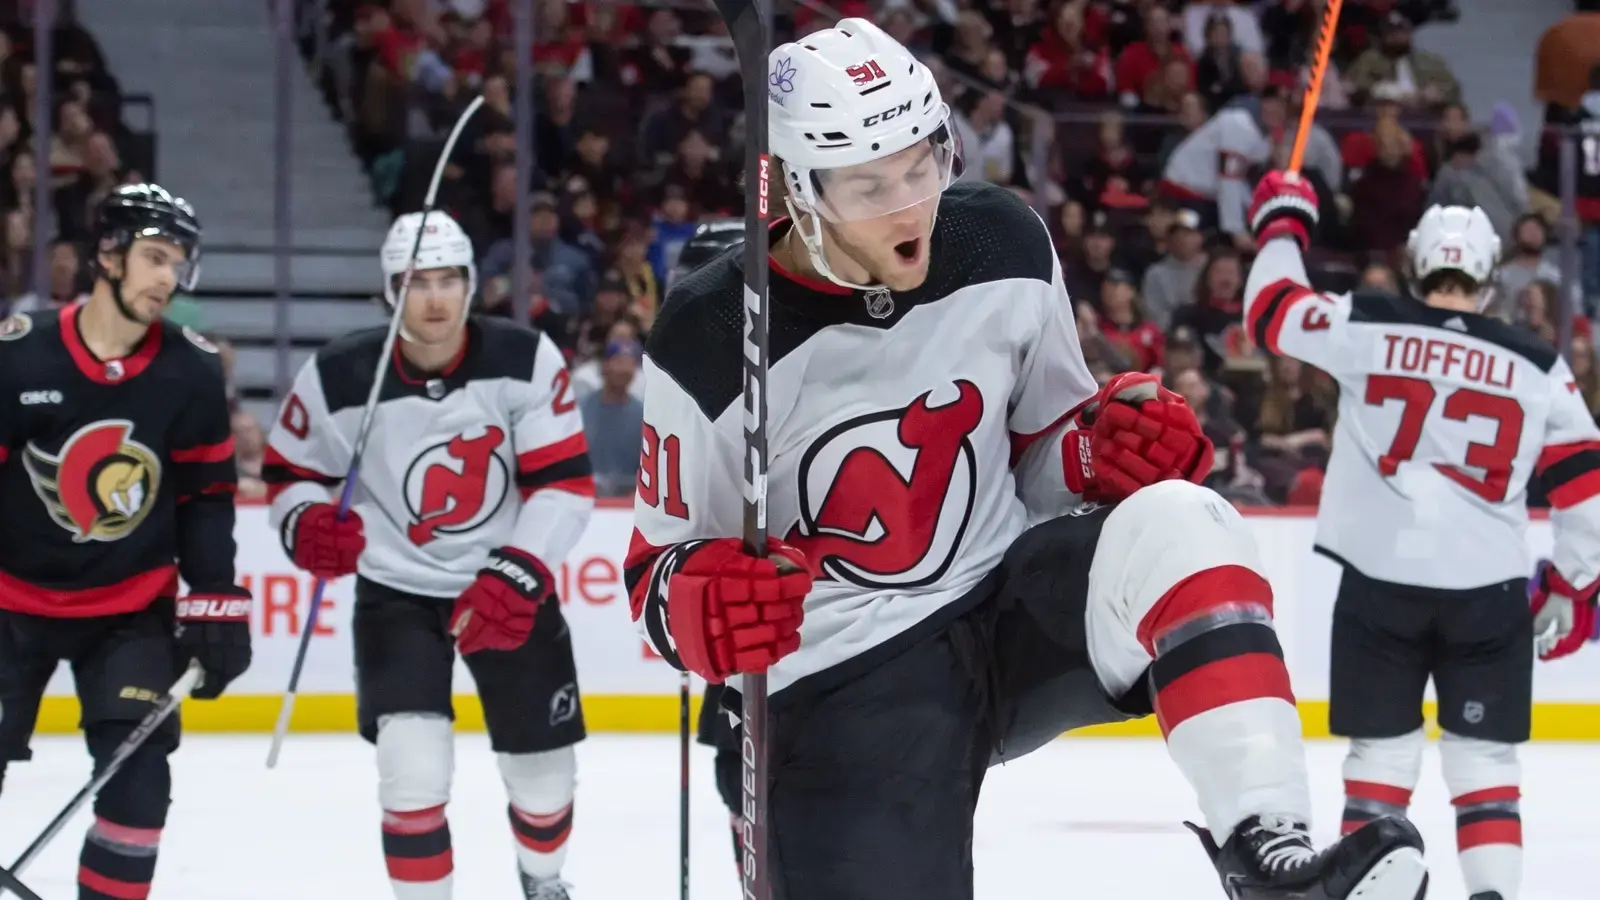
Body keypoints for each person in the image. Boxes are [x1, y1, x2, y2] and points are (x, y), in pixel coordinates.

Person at [629, 18, 1427, 900]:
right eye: (868, 185)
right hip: (846, 676)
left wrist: (1091, 449)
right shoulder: (707, 334)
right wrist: (697, 601)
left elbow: (1041, 444)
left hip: (1008, 603)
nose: (910, 205)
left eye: (923, 163)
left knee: (1181, 520)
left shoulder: (1000, 241)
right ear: (792, 193)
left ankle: (1269, 857)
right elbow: (658, 574)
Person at [1244, 172, 1600, 900]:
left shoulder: (1368, 322)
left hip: (1380, 582)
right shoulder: (1538, 364)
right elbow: (1587, 487)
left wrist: (1284, 223)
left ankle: (1370, 888)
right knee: (1486, 766)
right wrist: (1573, 581)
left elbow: (1269, 313)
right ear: (1491, 275)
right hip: (1489, 590)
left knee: (1379, 757)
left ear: (1414, 263)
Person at [262, 210, 594, 900]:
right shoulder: (339, 374)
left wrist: (517, 571)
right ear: (390, 290)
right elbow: (290, 473)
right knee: (411, 771)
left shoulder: (525, 358)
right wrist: (305, 522)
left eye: (449, 279)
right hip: (398, 595)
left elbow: (562, 486)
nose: (435, 298)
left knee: (544, 775)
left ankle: (543, 881)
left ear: (473, 284)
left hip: (507, 588)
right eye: (417, 281)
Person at [0, 184, 252, 900]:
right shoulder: (21, 358)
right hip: (9, 604)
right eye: (154, 257)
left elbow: (206, 499)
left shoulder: (191, 370)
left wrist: (215, 601)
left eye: (178, 262)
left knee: (139, 787)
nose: (168, 278)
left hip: (128, 609)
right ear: (108, 256)